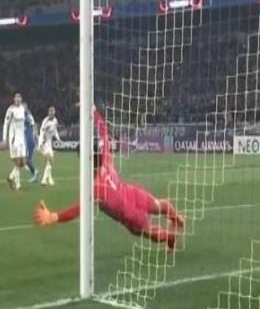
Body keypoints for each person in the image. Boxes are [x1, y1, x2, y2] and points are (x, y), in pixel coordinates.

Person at [34, 106, 184, 250]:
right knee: (159, 205)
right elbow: (103, 132)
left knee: (148, 232)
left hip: (129, 214)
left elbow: (78, 209)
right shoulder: (105, 160)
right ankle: (177, 219)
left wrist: (54, 217)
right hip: (134, 194)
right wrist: (93, 111)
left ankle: (170, 237)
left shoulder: (96, 188)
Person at [2, 91, 26, 190]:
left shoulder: (22, 108)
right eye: (16, 97)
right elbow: (6, 124)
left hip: (22, 139)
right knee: (17, 161)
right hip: (14, 138)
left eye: (19, 97)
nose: (18, 99)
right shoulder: (10, 110)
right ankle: (18, 185)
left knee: (23, 162)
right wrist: (4, 138)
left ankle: (10, 177)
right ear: (14, 99)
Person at [38, 106, 62, 186]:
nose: (52, 113)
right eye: (50, 112)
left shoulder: (55, 120)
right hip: (44, 143)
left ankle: (49, 179)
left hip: (49, 143)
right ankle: (44, 180)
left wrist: (58, 139)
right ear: (48, 113)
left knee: (49, 161)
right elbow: (41, 133)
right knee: (50, 159)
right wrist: (40, 144)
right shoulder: (45, 121)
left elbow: (55, 131)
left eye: (53, 112)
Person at [23, 102, 39, 182]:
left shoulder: (28, 116)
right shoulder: (21, 116)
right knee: (26, 159)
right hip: (26, 140)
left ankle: (35, 171)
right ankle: (34, 174)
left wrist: (36, 136)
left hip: (29, 140)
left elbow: (34, 125)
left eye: (24, 107)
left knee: (26, 159)